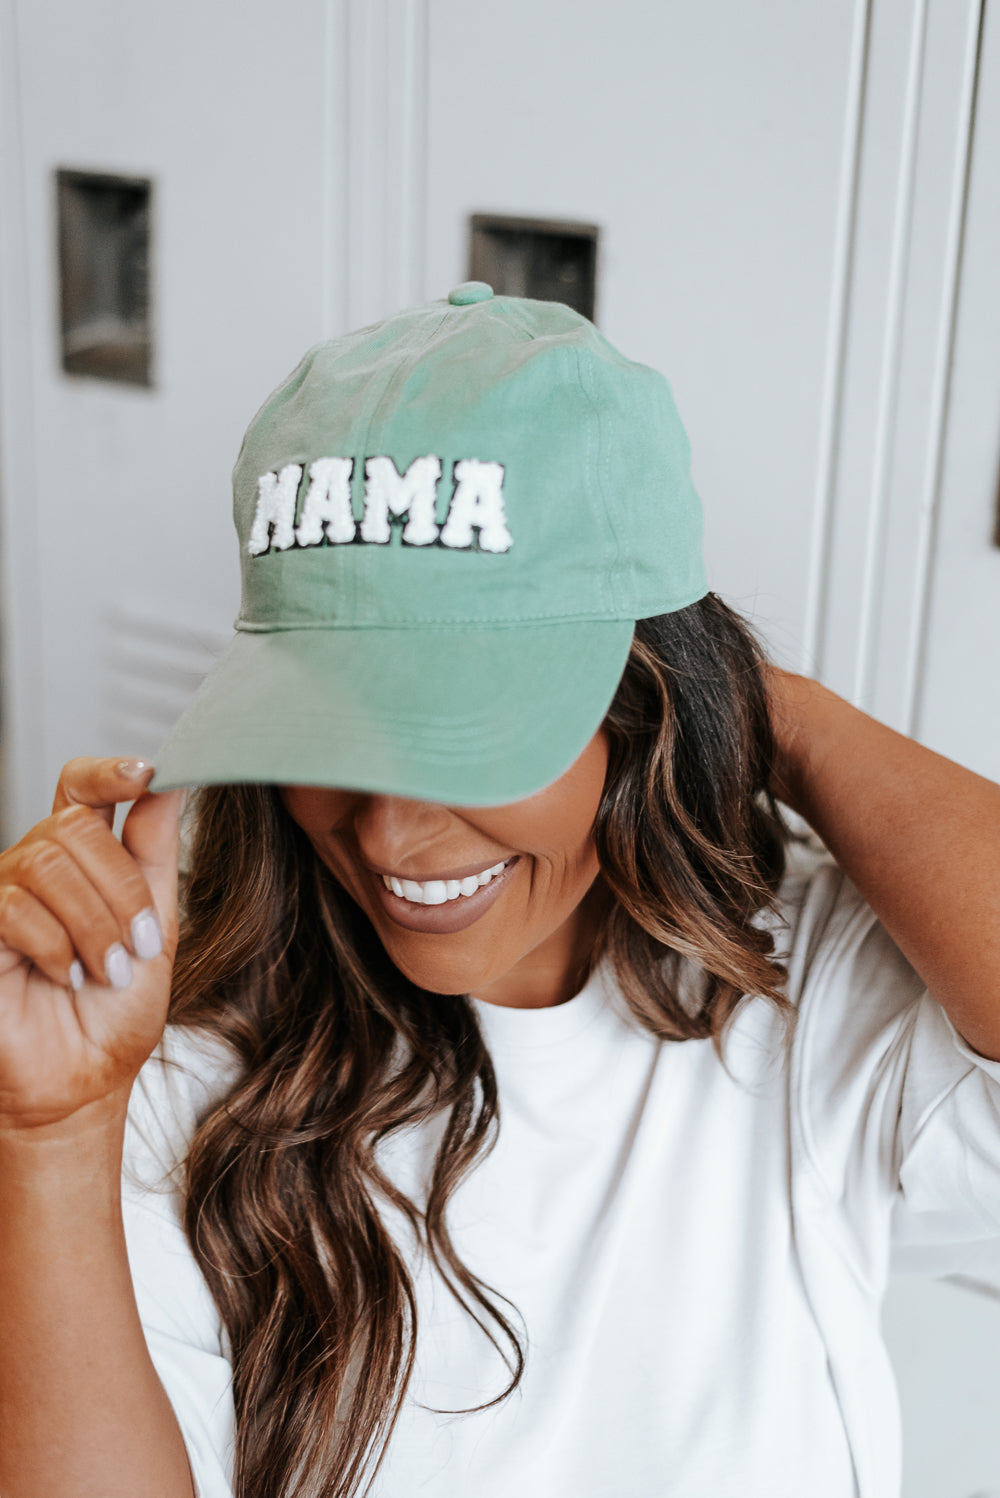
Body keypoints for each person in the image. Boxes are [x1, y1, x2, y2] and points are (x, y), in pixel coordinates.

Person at [0, 283, 997, 1498]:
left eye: (468, 736)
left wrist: (750, 705)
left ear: (640, 703)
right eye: (325, 730)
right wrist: (51, 1137)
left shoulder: (802, 986)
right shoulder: (175, 1080)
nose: (388, 831)